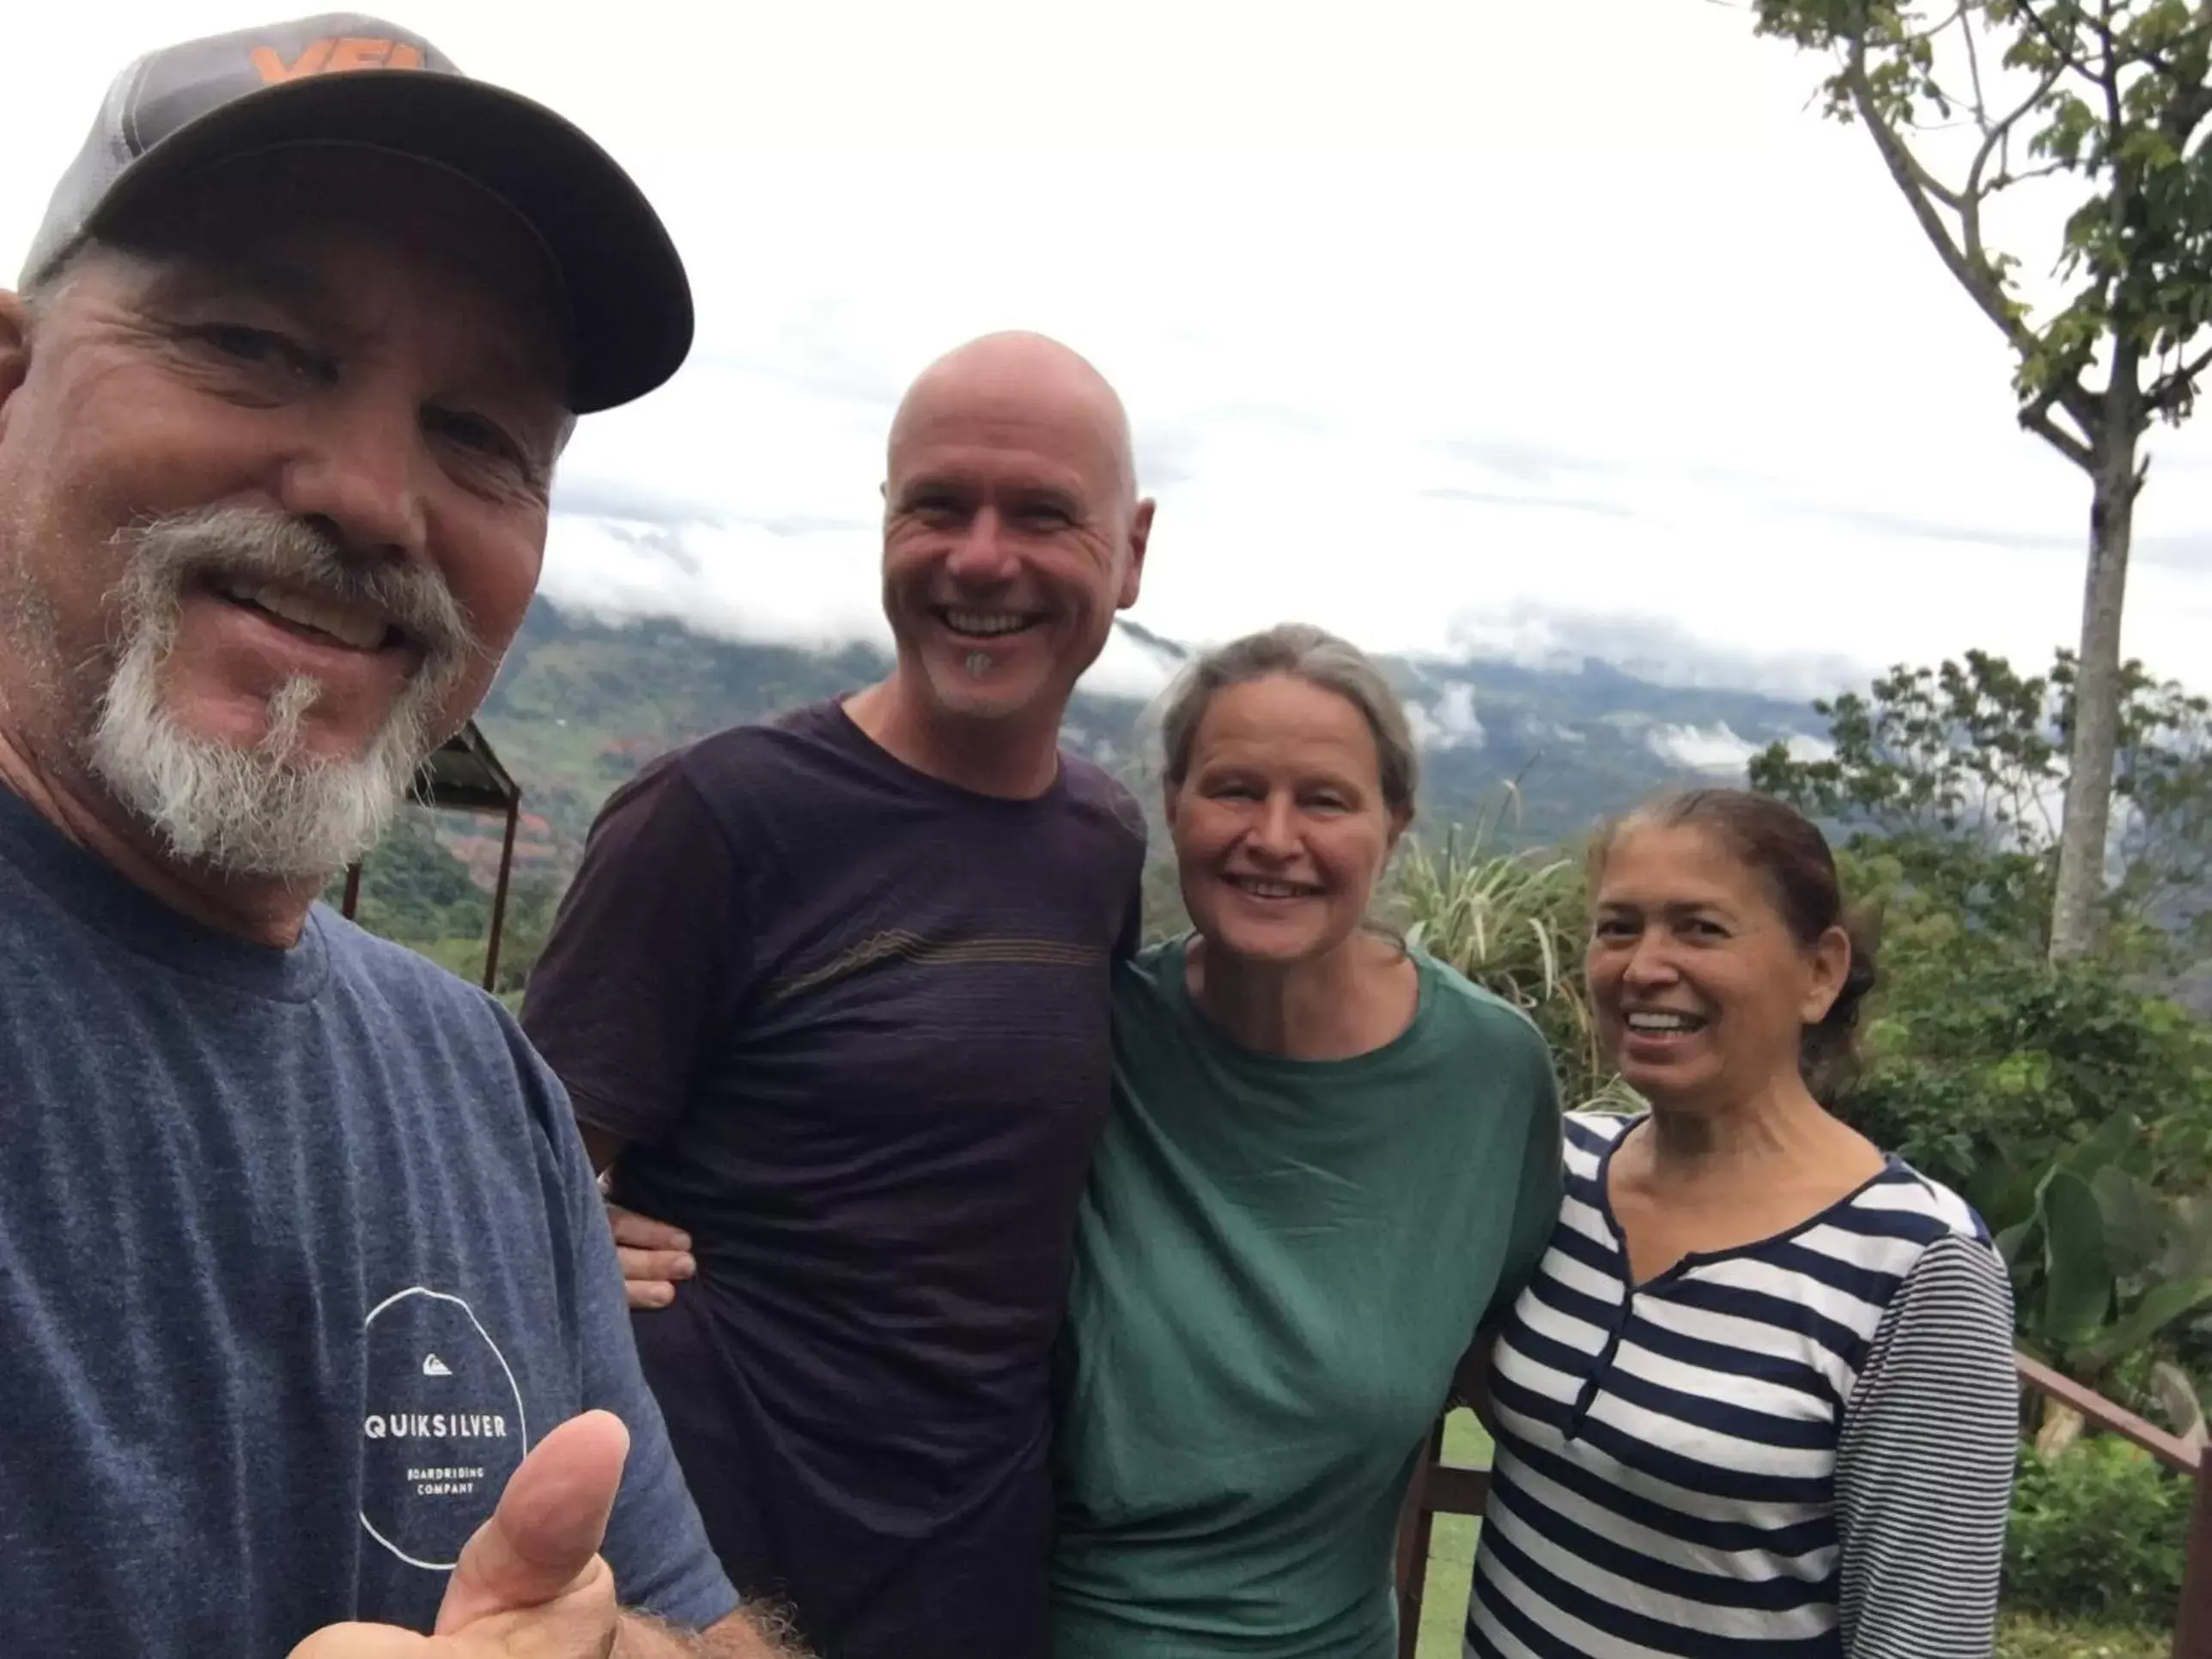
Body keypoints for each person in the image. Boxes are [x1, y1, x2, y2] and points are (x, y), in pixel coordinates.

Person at [0, 14, 804, 1656]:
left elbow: (672, 1617)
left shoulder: (480, 1084)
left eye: (480, 435)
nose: (374, 493)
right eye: (254, 342)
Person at [518, 331, 1156, 1657]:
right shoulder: (718, 817)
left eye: (1044, 514)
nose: (983, 558)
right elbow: (507, 1199)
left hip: (975, 1566)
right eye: (938, 505)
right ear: (886, 525)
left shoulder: (1101, 842)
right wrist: (572, 1235)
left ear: (1132, 550)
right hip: (708, 1576)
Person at [1047, 623, 1565, 1658]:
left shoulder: (1487, 1079)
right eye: (1234, 789)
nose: (1273, 838)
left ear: (1394, 824)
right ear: (1173, 805)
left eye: (1323, 800)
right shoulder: (1085, 1031)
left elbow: (1502, 1344)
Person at [1464, 788, 2019, 1659]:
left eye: (1699, 929)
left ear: (1818, 973)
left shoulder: (1916, 1264)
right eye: (1617, 927)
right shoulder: (1553, 1170)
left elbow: (1925, 1637)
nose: (1643, 966)